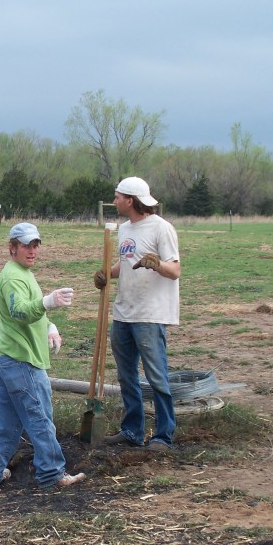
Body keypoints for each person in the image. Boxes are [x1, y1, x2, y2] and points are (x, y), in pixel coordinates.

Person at [0, 222, 87, 490]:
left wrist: (49, 326)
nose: (32, 250)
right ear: (12, 247)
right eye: (26, 245)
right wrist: (47, 302)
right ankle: (52, 473)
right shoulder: (14, 276)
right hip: (21, 361)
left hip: (6, 358)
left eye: (35, 244)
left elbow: (28, 314)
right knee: (39, 417)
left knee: (3, 420)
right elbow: (20, 311)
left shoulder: (21, 272)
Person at [94, 177, 181, 452]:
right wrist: (107, 272)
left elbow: (175, 270)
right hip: (124, 312)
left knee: (156, 375)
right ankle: (132, 430)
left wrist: (157, 265)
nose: (115, 200)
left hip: (150, 314)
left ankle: (163, 435)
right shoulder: (125, 229)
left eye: (118, 196)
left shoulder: (161, 228)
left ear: (131, 200)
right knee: (126, 375)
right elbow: (126, 262)